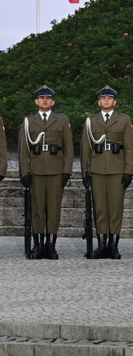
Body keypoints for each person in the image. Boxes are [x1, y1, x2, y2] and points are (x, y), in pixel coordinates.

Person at [80, 85, 133, 259]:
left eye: (109, 98)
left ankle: (113, 245)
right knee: (101, 208)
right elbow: (85, 149)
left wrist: (129, 171)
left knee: (116, 208)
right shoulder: (91, 121)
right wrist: (85, 172)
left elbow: (130, 148)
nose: (106, 101)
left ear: (114, 101)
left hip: (117, 169)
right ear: (99, 102)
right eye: (103, 98)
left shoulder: (124, 120)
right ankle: (101, 244)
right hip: (96, 169)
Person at [19, 85, 73, 260]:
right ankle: (38, 245)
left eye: (48, 98)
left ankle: (50, 245)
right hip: (35, 170)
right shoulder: (29, 121)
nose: (45, 100)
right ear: (36, 101)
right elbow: (23, 150)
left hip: (55, 170)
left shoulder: (62, 119)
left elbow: (68, 148)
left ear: (53, 102)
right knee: (37, 209)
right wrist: (24, 171)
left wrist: (67, 170)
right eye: (42, 98)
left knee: (53, 209)